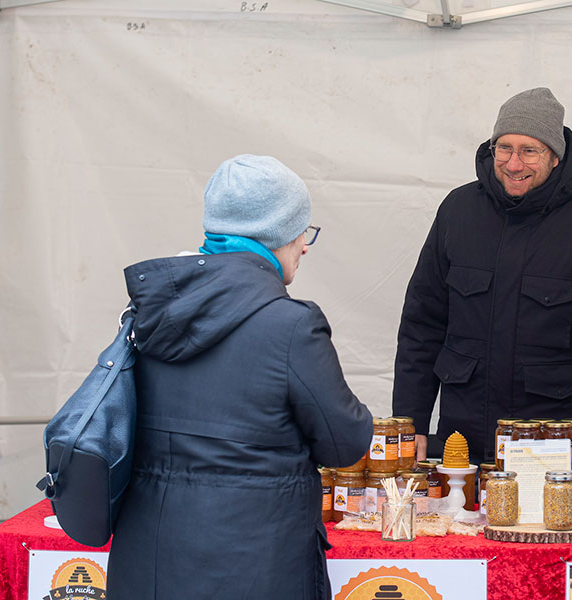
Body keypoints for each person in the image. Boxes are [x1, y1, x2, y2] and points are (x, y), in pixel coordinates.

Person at [107, 154, 373, 599]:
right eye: (300, 233)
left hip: (148, 562)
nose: (305, 246)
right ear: (274, 238)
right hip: (255, 565)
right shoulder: (291, 325)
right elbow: (344, 443)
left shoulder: (148, 311)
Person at [393, 87, 572, 480]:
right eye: (504, 148)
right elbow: (421, 329)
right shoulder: (458, 212)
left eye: (529, 150)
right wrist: (409, 426)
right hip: (462, 448)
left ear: (555, 155)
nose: (514, 163)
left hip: (550, 453)